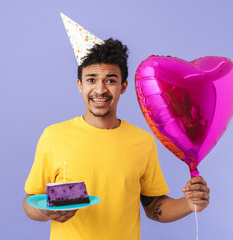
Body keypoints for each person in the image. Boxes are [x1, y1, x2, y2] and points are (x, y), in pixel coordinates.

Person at [23, 38, 210, 240]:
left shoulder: (142, 142)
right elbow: (31, 201)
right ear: (80, 85)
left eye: (110, 80)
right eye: (91, 79)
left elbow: (154, 207)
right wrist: (45, 212)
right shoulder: (54, 137)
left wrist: (188, 204)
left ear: (123, 86)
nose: (100, 90)